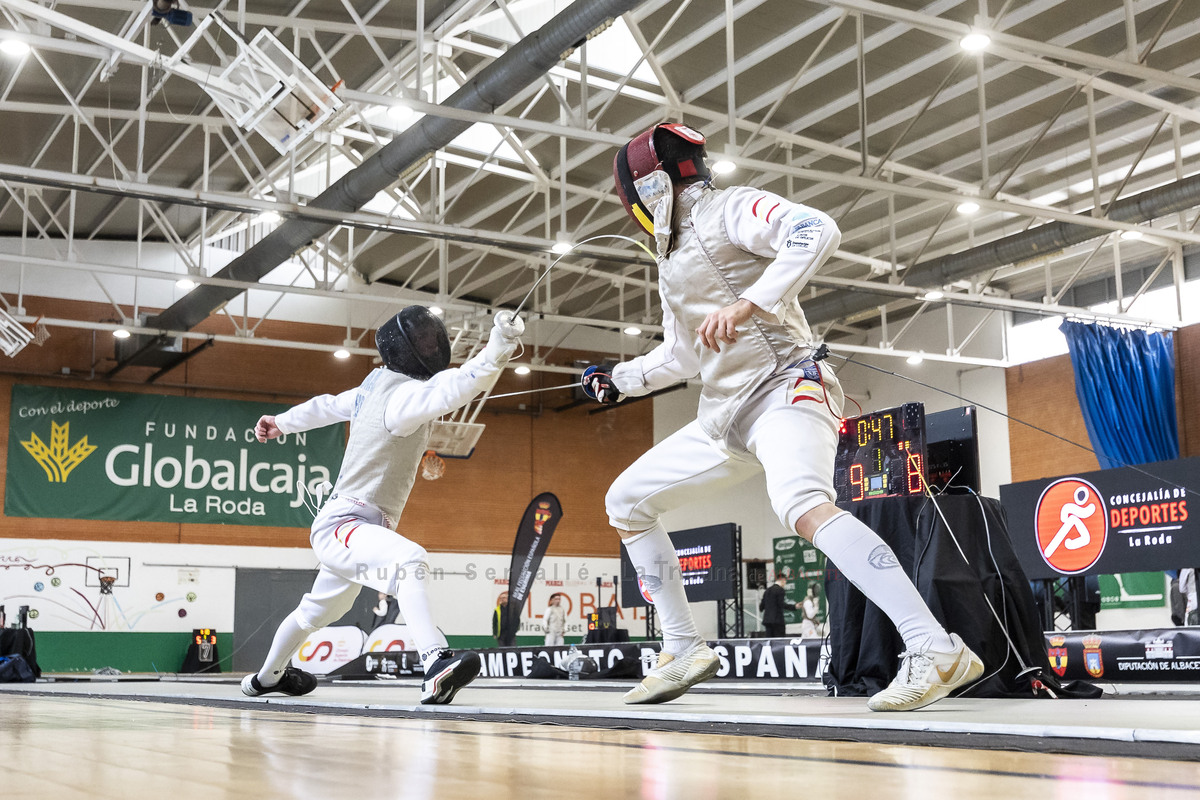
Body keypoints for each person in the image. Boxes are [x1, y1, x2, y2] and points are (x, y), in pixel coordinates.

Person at [586, 122, 983, 710]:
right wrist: (616, 381)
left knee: (800, 502)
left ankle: (935, 647)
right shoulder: (671, 261)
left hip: (786, 388)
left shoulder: (730, 209)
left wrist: (750, 302)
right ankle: (683, 645)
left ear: (649, 187)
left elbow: (814, 228)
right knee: (625, 502)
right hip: (725, 415)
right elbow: (683, 354)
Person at [241, 306, 524, 705]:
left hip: (356, 527)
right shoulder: (403, 398)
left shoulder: (373, 388)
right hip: (345, 524)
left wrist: (282, 422)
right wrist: (500, 343)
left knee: (316, 613)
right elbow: (460, 384)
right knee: (409, 560)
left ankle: (266, 679)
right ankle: (435, 661)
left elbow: (327, 405)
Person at [760, 573, 798, 638]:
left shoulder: (767, 591)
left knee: (769, 642)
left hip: (767, 621)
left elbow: (761, 607)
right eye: (785, 581)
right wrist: (794, 606)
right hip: (777, 621)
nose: (785, 583)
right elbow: (781, 604)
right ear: (782, 580)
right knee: (779, 641)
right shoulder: (780, 590)